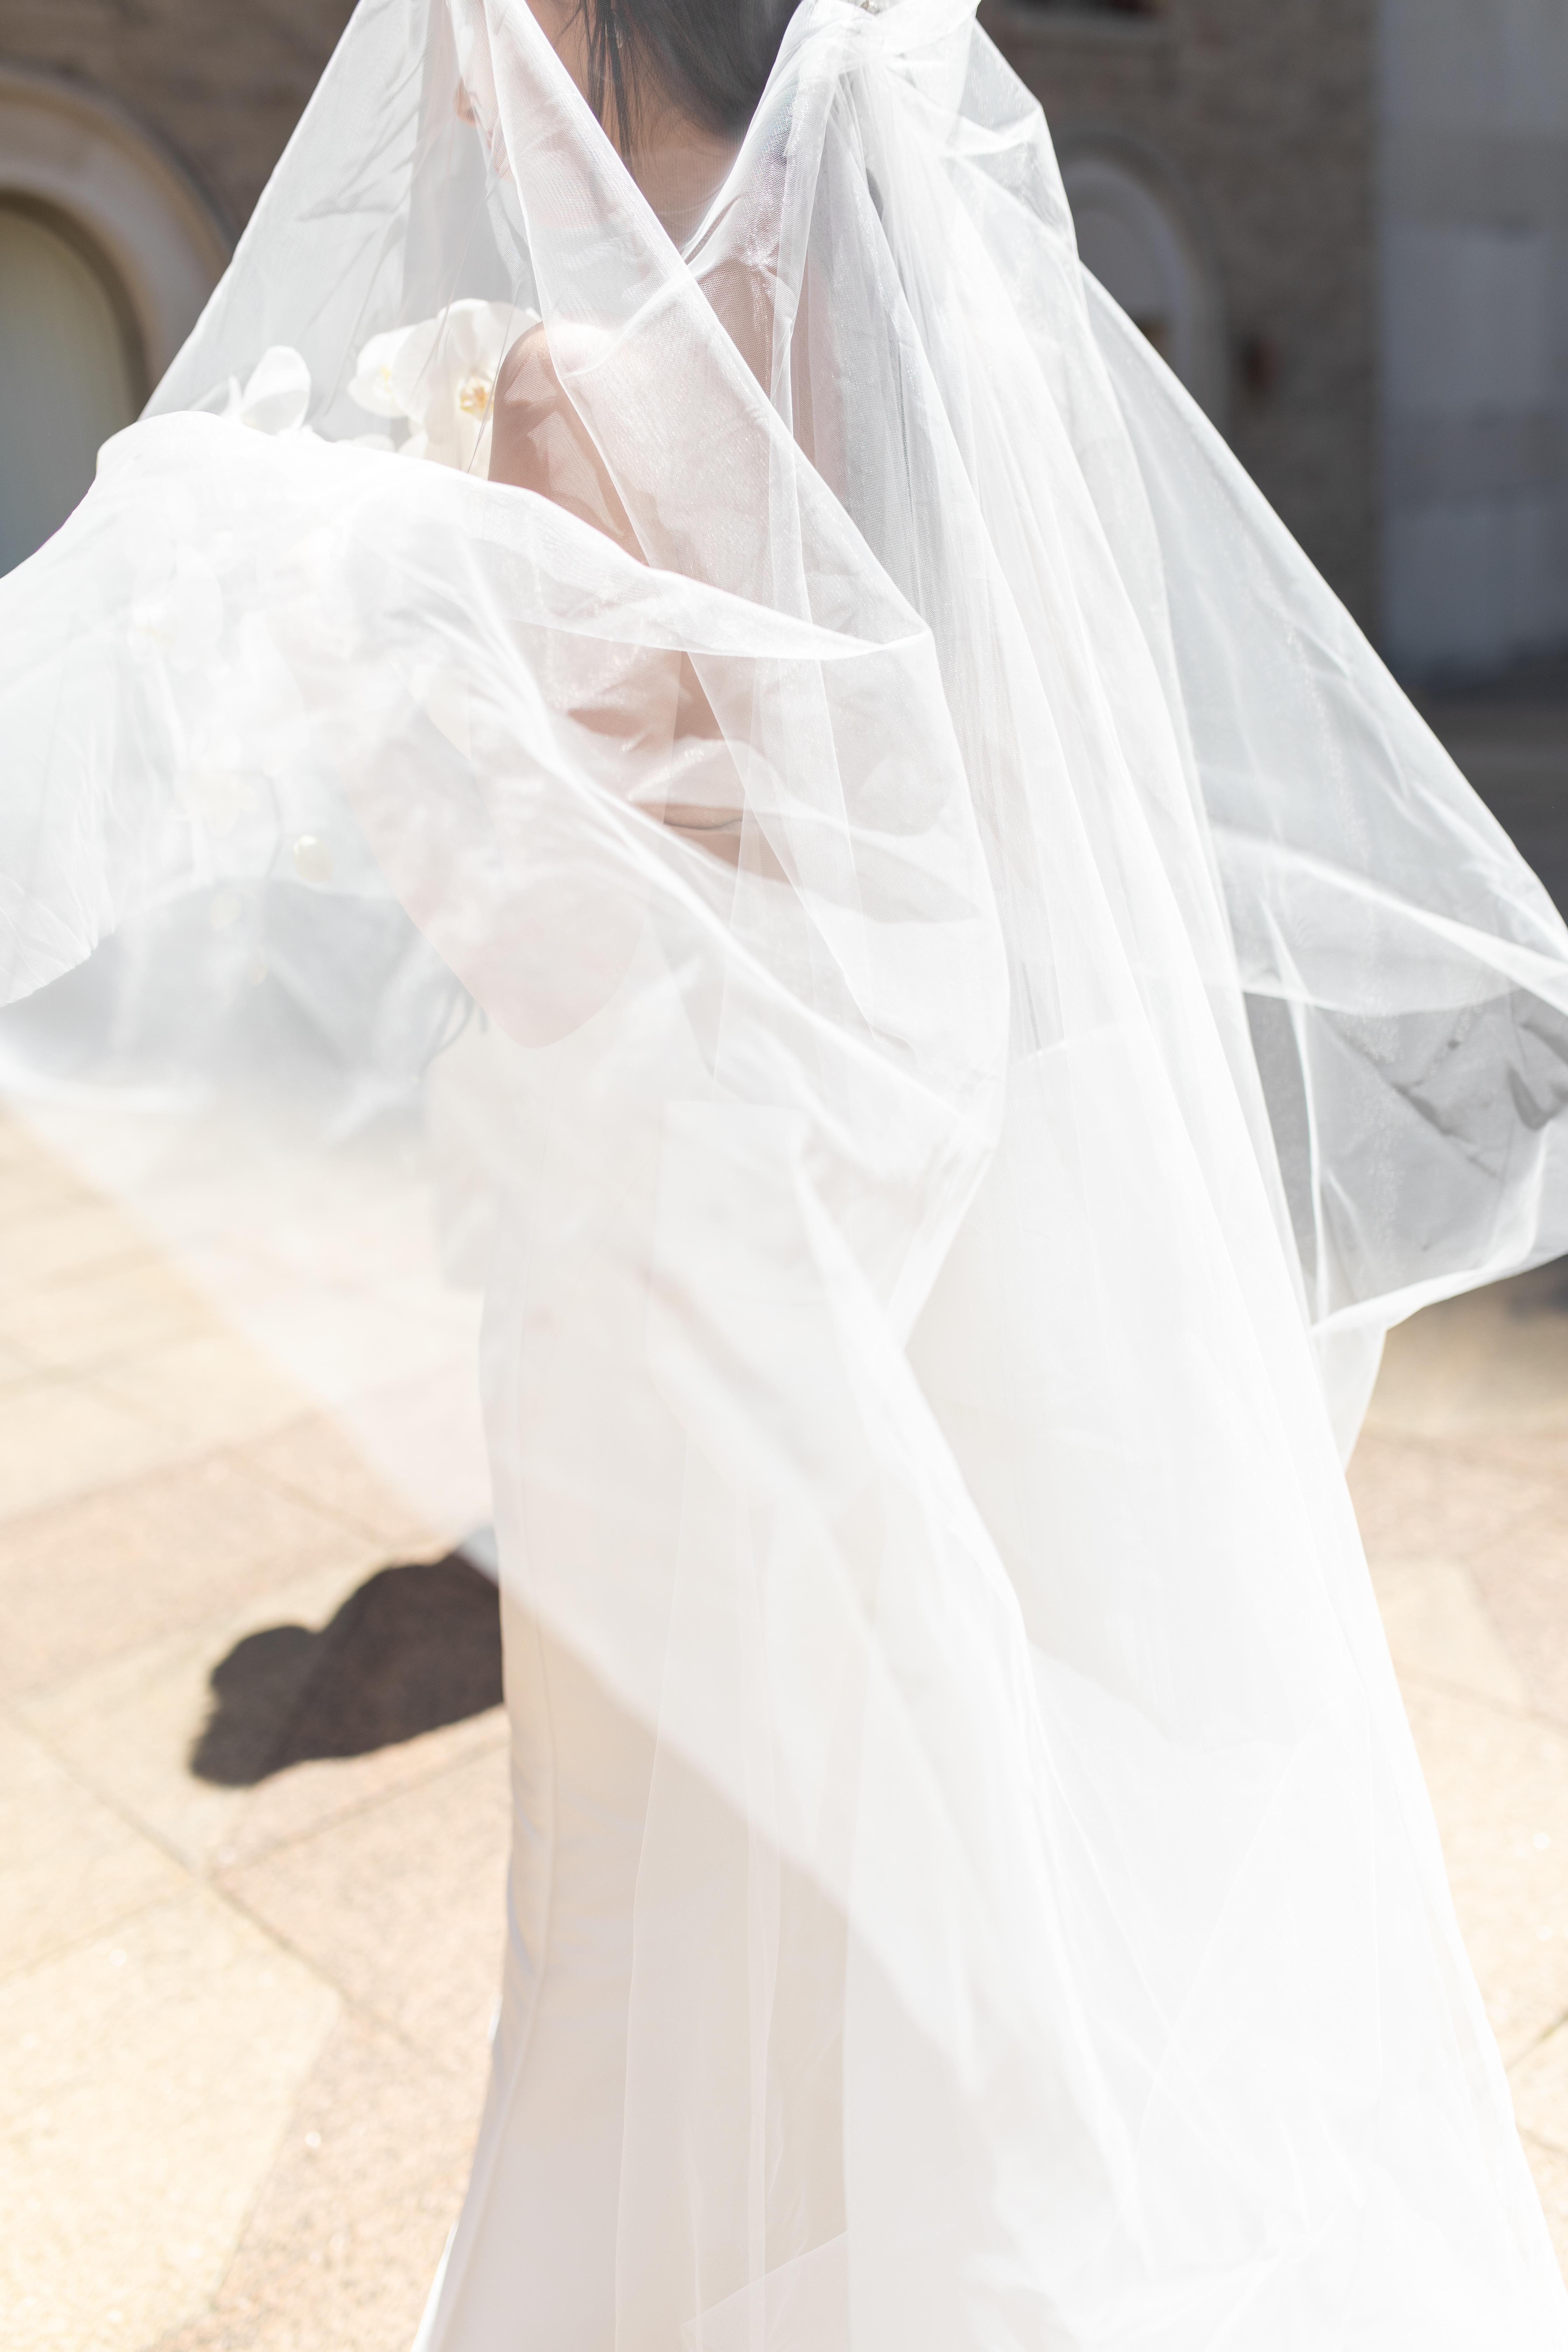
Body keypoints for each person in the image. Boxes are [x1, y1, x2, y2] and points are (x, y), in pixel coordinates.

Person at [4, 0, 1568, 2343]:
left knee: (706, 1885)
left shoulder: (570, 389)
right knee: (976, 1810)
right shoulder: (941, 335)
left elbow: (555, 946)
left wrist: (375, 710)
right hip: (965, 1186)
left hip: (687, 1231)